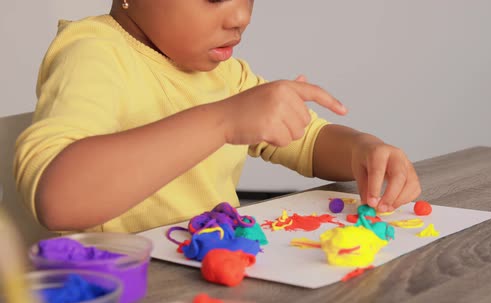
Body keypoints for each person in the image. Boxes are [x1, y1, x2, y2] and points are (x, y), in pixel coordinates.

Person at [14, 0, 421, 233]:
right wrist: (223, 121)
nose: (240, 17)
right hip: (130, 295)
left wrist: (363, 150)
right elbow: (59, 200)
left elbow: (308, 141)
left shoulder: (226, 74)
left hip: (212, 276)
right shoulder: (94, 52)